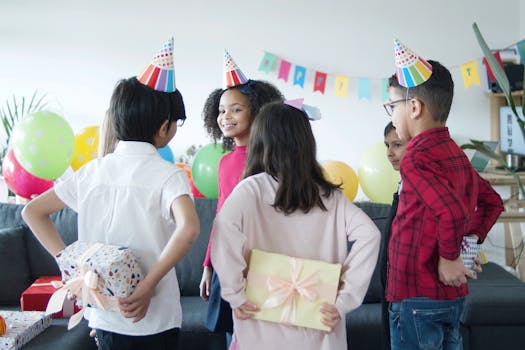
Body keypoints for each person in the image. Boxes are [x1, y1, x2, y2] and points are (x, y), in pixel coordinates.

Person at [22, 38, 200, 350]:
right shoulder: (168, 174)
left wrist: (71, 265)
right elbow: (190, 228)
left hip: (103, 316)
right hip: (155, 318)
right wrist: (147, 285)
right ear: (164, 128)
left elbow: (32, 212)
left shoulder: (92, 171)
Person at [210, 100, 381, 350]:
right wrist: (344, 299)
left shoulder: (250, 190)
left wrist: (235, 293)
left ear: (260, 142)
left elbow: (223, 232)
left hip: (261, 324)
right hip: (320, 325)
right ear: (305, 143)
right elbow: (371, 235)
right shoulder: (330, 196)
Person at [385, 40, 504, 350]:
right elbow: (493, 202)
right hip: (449, 299)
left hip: (416, 296)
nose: (392, 116)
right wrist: (470, 242)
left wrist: (451, 258)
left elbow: (449, 211)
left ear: (413, 107)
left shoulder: (415, 156)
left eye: (392, 106)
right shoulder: (455, 154)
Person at [199, 51, 284, 346]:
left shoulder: (273, 161)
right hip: (229, 265)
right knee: (232, 336)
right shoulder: (224, 163)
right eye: (222, 111)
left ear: (258, 112)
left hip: (263, 266)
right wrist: (208, 265)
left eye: (235, 109)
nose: (226, 117)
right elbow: (221, 216)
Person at [379, 121, 406, 350]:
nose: (389, 153)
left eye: (397, 145)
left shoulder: (417, 186)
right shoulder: (402, 183)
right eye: (386, 145)